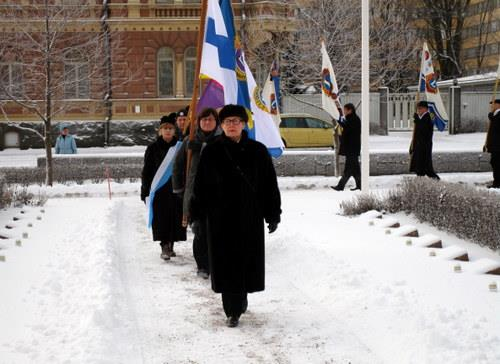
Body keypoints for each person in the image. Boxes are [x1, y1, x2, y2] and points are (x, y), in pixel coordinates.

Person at [190, 104, 282, 328]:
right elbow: (200, 186)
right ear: (222, 126)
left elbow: (269, 185)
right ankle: (231, 309)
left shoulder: (258, 151)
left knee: (244, 261)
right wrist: (197, 216)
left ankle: (241, 299)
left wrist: (273, 214)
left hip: (248, 216)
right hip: (219, 217)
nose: (232, 125)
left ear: (244, 124)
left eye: (236, 121)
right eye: (228, 122)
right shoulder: (211, 151)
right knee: (224, 262)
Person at [172, 108, 222, 279]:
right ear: (198, 122)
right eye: (204, 120)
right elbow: (177, 166)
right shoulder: (189, 140)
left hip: (218, 195)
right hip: (196, 195)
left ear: (216, 122)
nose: (207, 122)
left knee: (217, 232)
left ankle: (216, 264)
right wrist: (179, 190)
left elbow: (221, 155)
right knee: (200, 232)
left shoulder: (222, 141)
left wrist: (203, 148)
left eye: (210, 120)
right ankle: (202, 265)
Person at [141, 114, 186, 260]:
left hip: (176, 188)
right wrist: (145, 190)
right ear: (160, 131)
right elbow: (147, 170)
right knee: (161, 218)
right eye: (165, 128)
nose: (168, 131)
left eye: (170, 128)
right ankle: (164, 245)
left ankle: (171, 244)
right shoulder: (153, 148)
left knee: (175, 217)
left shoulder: (180, 147)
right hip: (159, 189)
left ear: (174, 130)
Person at [331, 103, 361, 191]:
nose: (344, 112)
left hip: (352, 148)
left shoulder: (354, 119)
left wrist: (339, 120)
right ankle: (360, 185)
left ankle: (340, 186)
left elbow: (348, 128)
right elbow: (346, 125)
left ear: (350, 110)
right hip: (352, 148)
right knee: (355, 170)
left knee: (348, 169)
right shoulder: (351, 118)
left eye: (345, 110)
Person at [409, 101, 440, 179]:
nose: (418, 110)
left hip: (425, 145)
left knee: (426, 166)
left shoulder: (429, 116)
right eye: (418, 109)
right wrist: (412, 145)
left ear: (426, 109)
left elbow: (424, 128)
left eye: (420, 108)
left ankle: (435, 180)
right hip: (418, 144)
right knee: (418, 166)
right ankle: (420, 182)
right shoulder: (420, 118)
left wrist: (417, 119)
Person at [484, 98, 500, 189]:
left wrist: (491, 117)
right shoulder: (495, 115)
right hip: (495, 146)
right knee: (494, 163)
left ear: (498, 105)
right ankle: (496, 182)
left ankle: (497, 183)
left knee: (497, 164)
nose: (491, 106)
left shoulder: (498, 115)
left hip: (498, 146)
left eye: (493, 104)